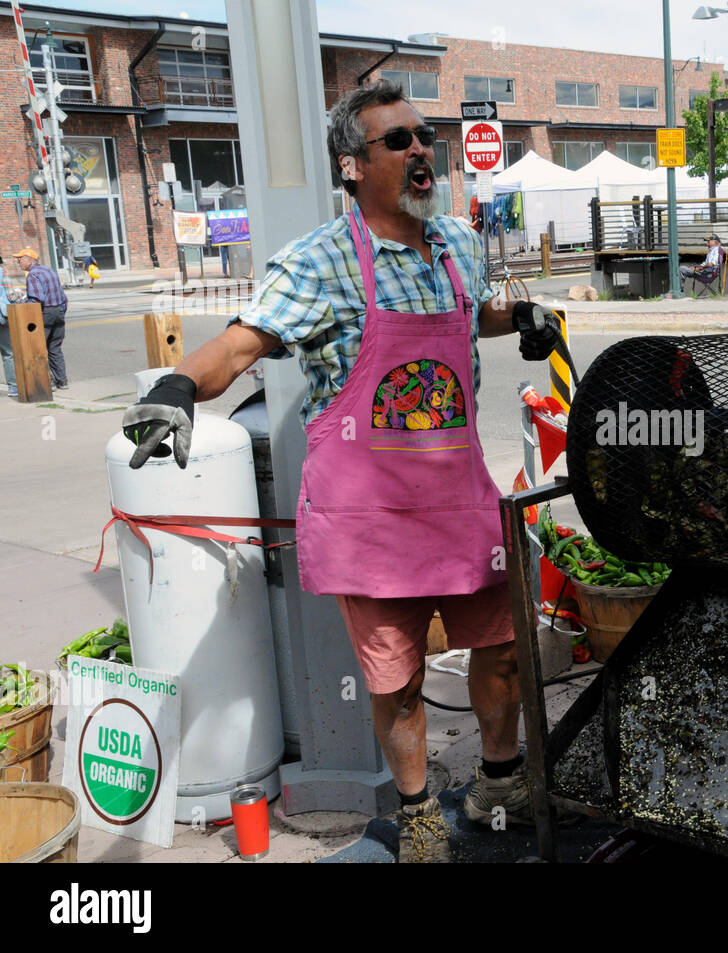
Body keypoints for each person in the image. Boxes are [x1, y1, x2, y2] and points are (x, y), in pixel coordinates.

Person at [120, 80, 564, 863]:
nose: (422, 149)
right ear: (353, 166)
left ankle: (500, 780)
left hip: (462, 500)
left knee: (501, 645)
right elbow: (242, 342)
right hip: (372, 518)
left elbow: (477, 308)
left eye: (424, 136)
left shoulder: (457, 241)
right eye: (398, 141)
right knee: (395, 677)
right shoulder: (321, 263)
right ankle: (420, 811)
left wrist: (520, 317)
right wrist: (180, 384)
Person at [14, 248, 68, 389]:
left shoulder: (33, 275)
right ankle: (62, 381)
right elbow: (63, 297)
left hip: (46, 314)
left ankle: (48, 383)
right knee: (55, 348)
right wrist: (60, 311)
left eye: (20, 259)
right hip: (58, 312)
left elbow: (37, 300)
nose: (18, 262)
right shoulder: (49, 271)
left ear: (29, 260)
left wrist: (20, 303)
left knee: (39, 348)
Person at [0, 255, 14, 397]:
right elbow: (11, 295)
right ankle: (13, 387)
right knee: (8, 353)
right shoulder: (2, 273)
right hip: (2, 319)